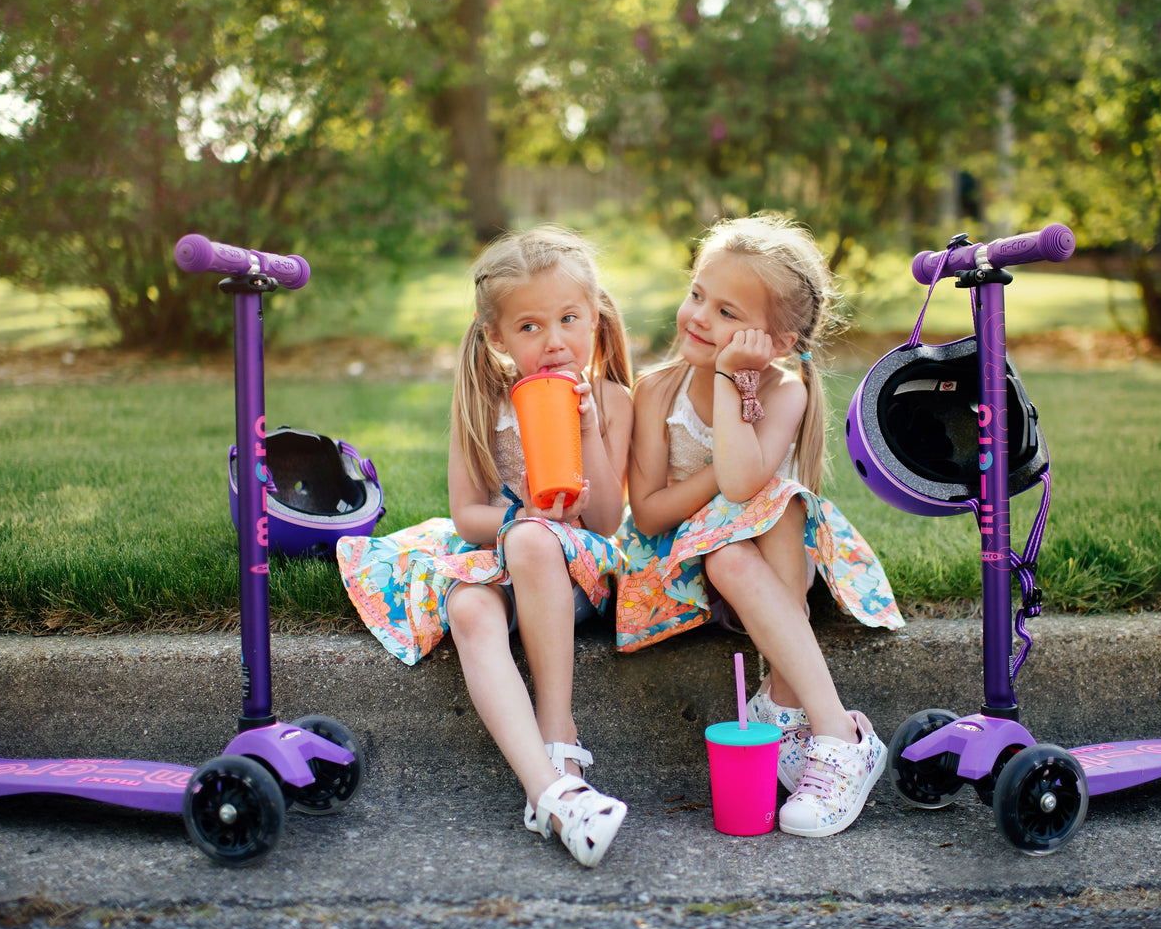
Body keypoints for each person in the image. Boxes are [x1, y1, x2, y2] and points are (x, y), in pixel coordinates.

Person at [335, 225, 633, 867]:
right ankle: (550, 792)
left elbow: (608, 520)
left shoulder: (609, 399)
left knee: (532, 541)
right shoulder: (482, 400)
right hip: (504, 555)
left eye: (569, 318)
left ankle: (558, 735)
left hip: (579, 570)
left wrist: (586, 431)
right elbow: (466, 514)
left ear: (595, 317)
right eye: (529, 327)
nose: (554, 341)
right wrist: (518, 511)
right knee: (469, 607)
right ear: (497, 336)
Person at [616, 212, 903, 838]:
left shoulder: (785, 390)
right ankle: (822, 723)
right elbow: (651, 512)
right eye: (697, 294)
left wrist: (728, 386)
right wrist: (722, 385)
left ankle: (818, 725)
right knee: (748, 519)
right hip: (675, 576)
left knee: (770, 510)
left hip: (757, 570)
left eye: (726, 314)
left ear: (773, 342)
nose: (698, 317)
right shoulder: (656, 391)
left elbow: (750, 487)